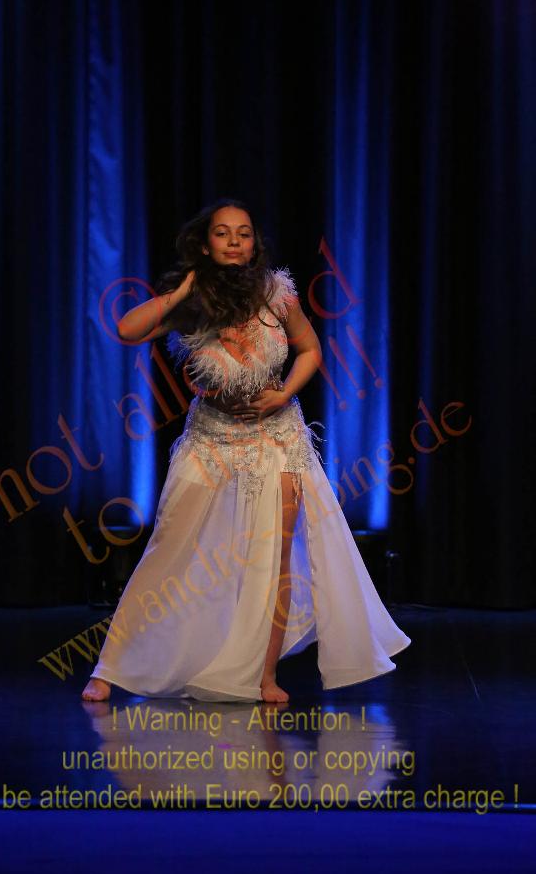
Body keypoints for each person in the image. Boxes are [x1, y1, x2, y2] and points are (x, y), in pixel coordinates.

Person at [81, 198, 411, 704]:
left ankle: (264, 675)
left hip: (277, 440)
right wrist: (184, 289)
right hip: (210, 441)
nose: (234, 241)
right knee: (168, 548)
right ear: (205, 243)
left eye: (244, 233)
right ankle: (110, 669)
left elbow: (310, 350)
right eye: (222, 233)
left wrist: (284, 393)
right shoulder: (190, 304)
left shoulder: (277, 294)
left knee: (274, 560)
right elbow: (126, 330)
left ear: (255, 244)